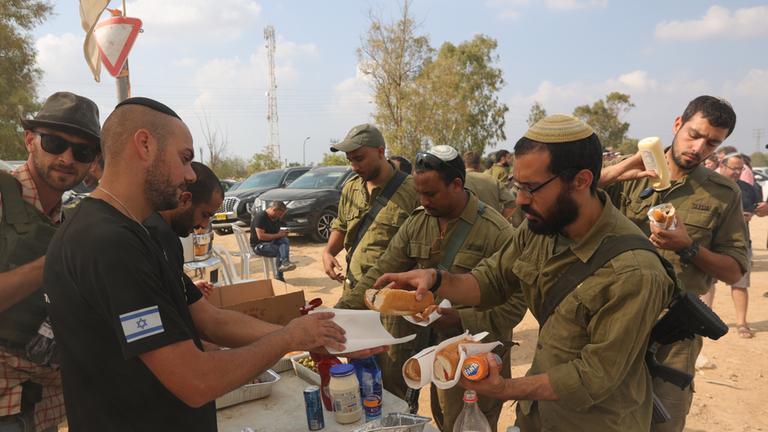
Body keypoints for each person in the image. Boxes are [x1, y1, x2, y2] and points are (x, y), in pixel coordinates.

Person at [43, 97, 376, 431]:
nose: (190, 175)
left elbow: (209, 319)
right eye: (184, 158)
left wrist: (306, 337)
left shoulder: (139, 234)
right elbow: (195, 380)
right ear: (144, 144)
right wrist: (286, 339)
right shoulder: (107, 244)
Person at [374, 115, 676, 431]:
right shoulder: (541, 227)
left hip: (596, 421)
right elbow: (489, 280)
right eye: (518, 186)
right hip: (538, 414)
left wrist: (506, 389)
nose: (520, 199)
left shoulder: (635, 272)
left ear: (582, 180)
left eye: (531, 188)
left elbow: (594, 376)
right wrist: (436, 279)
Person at [351, 145, 526, 431]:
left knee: (462, 421)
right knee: (413, 409)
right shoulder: (418, 222)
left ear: (457, 184)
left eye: (430, 194)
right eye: (419, 193)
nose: (422, 200)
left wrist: (461, 320)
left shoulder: (496, 232)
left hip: (471, 355)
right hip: (420, 343)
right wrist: (338, 314)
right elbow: (381, 271)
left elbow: (517, 302)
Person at [601, 95, 747, 432]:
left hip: (674, 334)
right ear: (677, 125)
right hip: (612, 321)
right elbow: (567, 203)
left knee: (663, 422)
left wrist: (689, 247)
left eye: (712, 142)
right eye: (694, 135)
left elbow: (735, 269)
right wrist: (613, 173)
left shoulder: (724, 193)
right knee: (601, 416)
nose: (699, 148)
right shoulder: (631, 172)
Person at [0, 91, 101, 432]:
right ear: (30, 140)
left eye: (82, 151)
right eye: (55, 142)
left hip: (43, 404)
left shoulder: (65, 221)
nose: (67, 158)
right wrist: (54, 262)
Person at [323, 123, 419, 309]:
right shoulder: (351, 188)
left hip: (391, 296)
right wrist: (328, 252)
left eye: (359, 159)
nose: (353, 167)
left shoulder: (413, 191)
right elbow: (342, 225)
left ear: (380, 151)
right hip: (353, 288)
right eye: (350, 160)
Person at [699, 153, 759, 338]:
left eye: (740, 168)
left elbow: (757, 208)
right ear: (722, 165)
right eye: (734, 168)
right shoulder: (707, 186)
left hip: (739, 242)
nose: (737, 172)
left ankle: (742, 323)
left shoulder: (748, 188)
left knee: (740, 284)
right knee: (707, 283)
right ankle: (703, 320)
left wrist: (762, 210)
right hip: (711, 242)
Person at [145, 161, 224, 298]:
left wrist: (186, 290)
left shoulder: (155, 227)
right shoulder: (161, 235)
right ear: (185, 200)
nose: (204, 225)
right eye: (205, 215)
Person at [463, 150, 517, 220]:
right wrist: (500, 221)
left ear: (464, 164)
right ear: (479, 164)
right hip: (492, 227)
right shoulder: (493, 180)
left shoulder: (456, 182)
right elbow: (512, 202)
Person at [250, 200, 295, 281]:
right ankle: (280, 275)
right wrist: (278, 235)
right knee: (280, 250)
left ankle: (285, 263)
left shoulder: (276, 218)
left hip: (271, 242)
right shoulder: (261, 217)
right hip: (259, 245)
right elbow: (261, 236)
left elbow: (278, 230)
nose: (281, 216)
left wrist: (284, 232)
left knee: (284, 240)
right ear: (274, 209)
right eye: (280, 213)